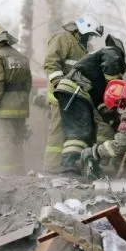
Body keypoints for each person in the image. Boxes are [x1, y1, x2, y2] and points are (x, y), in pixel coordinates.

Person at [53, 34, 126, 177]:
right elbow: (111, 67)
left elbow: (102, 104)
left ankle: (83, 168)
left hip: (79, 92)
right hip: (76, 90)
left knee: (88, 133)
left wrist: (115, 121)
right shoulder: (113, 52)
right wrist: (114, 85)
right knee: (79, 133)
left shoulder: (97, 76)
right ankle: (68, 170)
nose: (124, 72)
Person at [42, 13, 104, 173]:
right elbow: (50, 62)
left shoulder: (83, 48)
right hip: (61, 95)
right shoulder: (63, 38)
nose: (90, 38)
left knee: (75, 132)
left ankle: (71, 166)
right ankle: (52, 167)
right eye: (89, 34)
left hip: (77, 97)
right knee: (58, 130)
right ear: (82, 30)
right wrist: (59, 83)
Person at [0, 24, 32, 175]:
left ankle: (2, 179)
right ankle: (19, 176)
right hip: (21, 109)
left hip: (3, 110)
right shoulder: (22, 57)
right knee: (17, 143)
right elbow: (28, 84)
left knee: (2, 144)